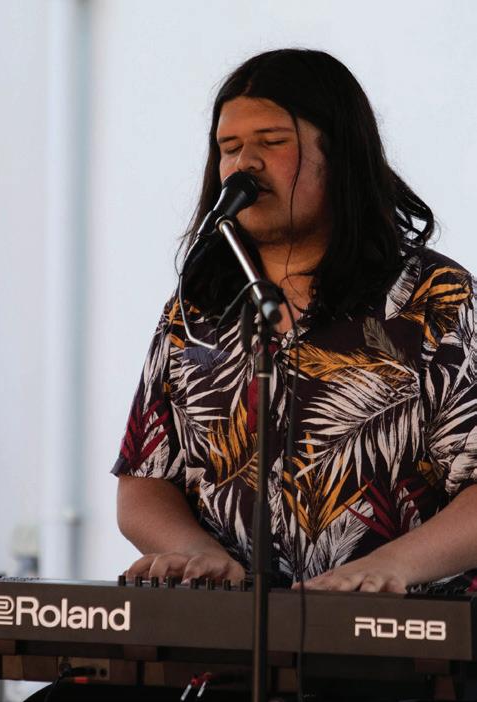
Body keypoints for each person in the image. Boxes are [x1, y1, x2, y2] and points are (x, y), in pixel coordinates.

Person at [111, 49, 477, 594]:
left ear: (340, 153)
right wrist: (194, 552)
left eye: (273, 141)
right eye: (229, 147)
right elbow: (144, 484)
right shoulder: (196, 307)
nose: (245, 163)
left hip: (399, 636)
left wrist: (391, 567)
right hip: (230, 635)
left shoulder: (433, 297)